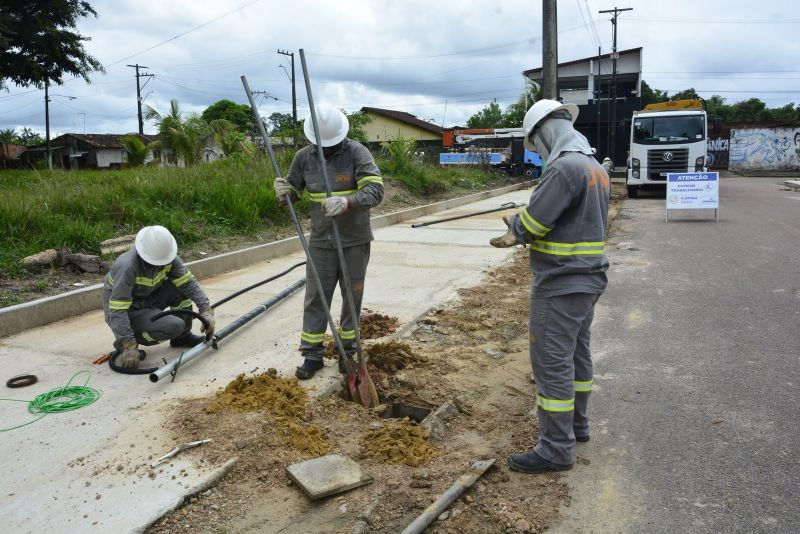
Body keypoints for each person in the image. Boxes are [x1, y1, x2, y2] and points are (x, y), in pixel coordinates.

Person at [490, 99, 610, 473]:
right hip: (588, 279)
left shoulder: (562, 170)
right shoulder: (593, 167)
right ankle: (578, 427)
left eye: (535, 143)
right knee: (576, 356)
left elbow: (534, 225)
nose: (538, 152)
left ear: (543, 132)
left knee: (551, 364)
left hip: (560, 282)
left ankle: (556, 449)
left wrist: (515, 225)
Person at [274, 106, 384, 380]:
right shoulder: (304, 157)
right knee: (316, 297)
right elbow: (295, 191)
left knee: (352, 296)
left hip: (353, 241)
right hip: (321, 241)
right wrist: (284, 193)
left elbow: (376, 189)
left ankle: (347, 351)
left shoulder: (357, 152)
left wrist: (348, 202)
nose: (325, 149)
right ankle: (312, 355)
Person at [102, 225, 215, 368]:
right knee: (174, 325)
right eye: (156, 263)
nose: (160, 266)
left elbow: (188, 283)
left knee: (180, 289)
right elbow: (118, 310)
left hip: (148, 299)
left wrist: (205, 309)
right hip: (128, 311)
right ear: (144, 255)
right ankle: (124, 343)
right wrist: (128, 344)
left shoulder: (168, 257)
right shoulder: (127, 266)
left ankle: (182, 338)